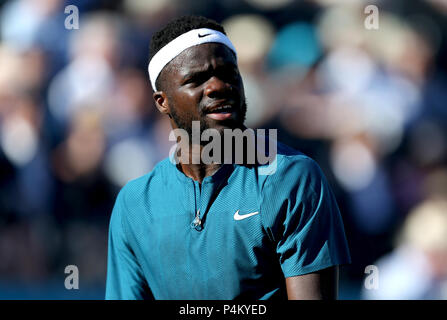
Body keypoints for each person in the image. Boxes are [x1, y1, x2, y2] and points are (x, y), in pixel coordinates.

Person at [105, 15, 351, 300]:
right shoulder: (134, 203)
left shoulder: (292, 177)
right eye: (196, 80)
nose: (217, 86)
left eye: (228, 73)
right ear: (162, 102)